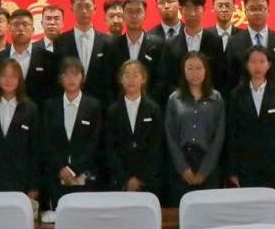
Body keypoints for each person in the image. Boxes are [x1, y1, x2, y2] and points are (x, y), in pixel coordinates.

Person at [225, 46, 275, 190]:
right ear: (246, 64)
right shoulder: (237, 94)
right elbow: (232, 133)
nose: (258, 66)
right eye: (253, 61)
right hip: (245, 165)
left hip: (272, 164)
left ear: (269, 64)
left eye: (262, 61)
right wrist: (232, 169)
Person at [40, 57, 103, 207]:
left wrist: (73, 169)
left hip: (85, 175)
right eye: (66, 74)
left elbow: (94, 142)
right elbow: (46, 140)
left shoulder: (93, 106)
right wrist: (61, 168)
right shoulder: (50, 106)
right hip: (56, 176)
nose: (71, 79)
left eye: (75, 74)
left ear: (82, 77)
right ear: (60, 79)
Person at [164, 52, 226, 205]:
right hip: (181, 164)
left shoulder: (216, 98)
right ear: (183, 71)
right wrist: (183, 168)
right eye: (190, 68)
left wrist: (205, 170)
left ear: (206, 70)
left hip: (208, 163)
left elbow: (219, 137)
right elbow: (170, 136)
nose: (194, 73)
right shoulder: (174, 99)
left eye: (199, 68)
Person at [0, 58, 40, 199]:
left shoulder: (30, 109)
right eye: (4, 75)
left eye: (13, 76)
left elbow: (35, 150)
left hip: (20, 180)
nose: (8, 80)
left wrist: (33, 185)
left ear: (20, 80)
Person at [104, 60, 164, 193]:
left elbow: (156, 146)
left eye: (135, 75)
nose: (131, 80)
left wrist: (141, 178)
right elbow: (110, 148)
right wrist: (125, 179)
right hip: (119, 181)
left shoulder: (153, 109)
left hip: (148, 181)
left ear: (144, 79)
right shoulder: (113, 111)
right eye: (127, 75)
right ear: (121, 79)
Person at [222, 0, 275, 93]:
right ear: (245, 12)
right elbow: (229, 79)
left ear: (268, 11)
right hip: (243, 99)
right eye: (252, 9)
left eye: (261, 8)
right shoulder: (234, 42)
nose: (257, 13)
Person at [55, 0, 115, 103]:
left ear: (95, 9)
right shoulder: (60, 41)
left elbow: (111, 77)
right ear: (72, 9)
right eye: (79, 7)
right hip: (68, 102)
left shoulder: (108, 42)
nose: (84, 11)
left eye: (87, 6)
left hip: (101, 103)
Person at [164, 0, 225, 96]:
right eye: (188, 9)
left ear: (204, 9)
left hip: (208, 98)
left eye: (196, 8)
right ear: (180, 10)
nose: (192, 14)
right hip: (180, 99)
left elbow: (219, 75)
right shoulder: (170, 44)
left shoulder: (215, 41)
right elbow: (167, 78)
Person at [0, 8, 56, 101]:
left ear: (33, 30)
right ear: (9, 29)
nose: (21, 28)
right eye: (16, 24)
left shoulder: (48, 58)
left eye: (25, 24)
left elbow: (52, 93)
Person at [117, 0, 168, 99]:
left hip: (150, 103)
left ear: (145, 15)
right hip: (121, 103)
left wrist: (148, 103)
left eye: (138, 11)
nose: (134, 16)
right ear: (123, 15)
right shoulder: (113, 45)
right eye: (129, 11)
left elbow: (162, 79)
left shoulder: (159, 44)